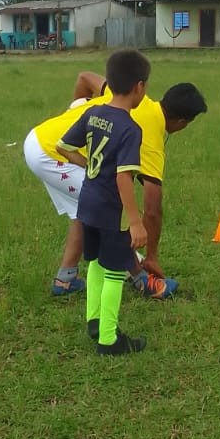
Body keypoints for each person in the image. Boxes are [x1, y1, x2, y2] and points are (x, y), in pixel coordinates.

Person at [23, 68, 207, 296]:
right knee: (111, 210)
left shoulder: (131, 96)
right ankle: (142, 280)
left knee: (85, 210)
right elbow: (152, 210)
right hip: (53, 154)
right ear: (181, 122)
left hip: (40, 137)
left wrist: (74, 113)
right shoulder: (150, 139)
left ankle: (65, 280)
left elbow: (84, 77)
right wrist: (151, 257)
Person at [57, 49, 150, 355]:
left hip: (88, 202)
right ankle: (109, 340)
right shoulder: (130, 129)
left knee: (95, 263)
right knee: (114, 271)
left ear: (109, 80)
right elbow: (124, 178)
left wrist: (89, 166)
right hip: (112, 210)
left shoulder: (93, 113)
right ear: (139, 87)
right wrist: (135, 222)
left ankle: (94, 322)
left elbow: (63, 146)